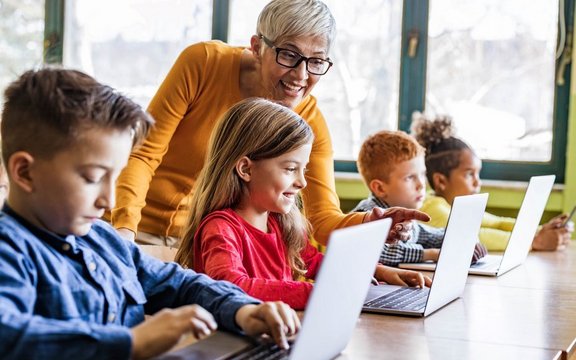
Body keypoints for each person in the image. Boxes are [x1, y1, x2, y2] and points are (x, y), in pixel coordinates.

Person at [0, 68, 301, 360]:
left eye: (114, 177)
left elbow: (180, 283)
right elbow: (9, 336)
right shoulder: (9, 251)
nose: (109, 200)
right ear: (25, 172)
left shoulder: (102, 238)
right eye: (92, 178)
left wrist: (243, 311)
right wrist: (131, 343)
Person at [109, 0, 429, 247]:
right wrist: (124, 231)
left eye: (316, 61)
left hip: (208, 246)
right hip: (139, 231)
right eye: (289, 55)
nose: (301, 76)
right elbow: (142, 154)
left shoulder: (310, 122)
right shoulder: (203, 63)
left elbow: (322, 218)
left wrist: (371, 224)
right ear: (257, 46)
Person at [176, 98, 431, 310]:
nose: (302, 183)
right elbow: (230, 286)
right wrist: (316, 294)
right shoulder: (221, 229)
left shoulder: (278, 223)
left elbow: (318, 263)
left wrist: (377, 271)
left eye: (303, 170)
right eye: (290, 169)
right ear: (245, 168)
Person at [411, 112, 573, 251]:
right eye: (469, 175)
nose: (477, 183)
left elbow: (497, 223)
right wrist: (535, 241)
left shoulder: (457, 206)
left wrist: (542, 230)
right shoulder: (432, 209)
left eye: (478, 174)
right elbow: (469, 236)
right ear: (441, 181)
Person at [352, 130, 487, 266]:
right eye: (410, 177)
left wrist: (465, 240)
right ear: (380, 188)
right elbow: (379, 252)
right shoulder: (366, 214)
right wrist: (432, 254)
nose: (421, 185)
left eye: (422, 174)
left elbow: (431, 236)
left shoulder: (407, 219)